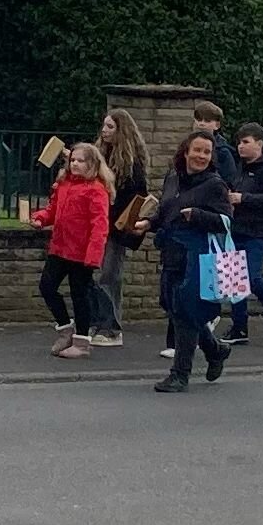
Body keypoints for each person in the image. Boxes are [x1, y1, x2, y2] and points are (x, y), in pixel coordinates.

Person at [133, 130, 233, 392]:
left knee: (186, 312)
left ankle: (180, 375)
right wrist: (148, 223)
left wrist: (198, 215)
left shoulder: (215, 185)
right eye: (197, 150)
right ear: (186, 151)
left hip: (196, 257)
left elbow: (225, 221)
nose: (201, 156)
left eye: (207, 152)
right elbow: (166, 211)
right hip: (172, 252)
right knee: (171, 305)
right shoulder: (173, 178)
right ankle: (215, 350)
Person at [31, 143, 113, 359]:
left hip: (81, 252)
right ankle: (65, 328)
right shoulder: (64, 184)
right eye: (73, 160)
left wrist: (93, 255)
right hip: (59, 247)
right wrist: (40, 218)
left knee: (80, 296)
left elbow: (100, 225)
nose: (75, 164)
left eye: (80, 161)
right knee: (47, 287)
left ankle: (82, 341)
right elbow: (53, 210)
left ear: (92, 164)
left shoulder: (96, 189)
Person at [220, 122, 263, 344]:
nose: (241, 146)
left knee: (250, 275)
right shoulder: (239, 168)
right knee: (234, 279)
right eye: (239, 142)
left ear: (259, 144)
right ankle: (239, 327)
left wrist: (244, 199)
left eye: (246, 142)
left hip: (258, 232)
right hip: (236, 229)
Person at [88, 109, 150, 347]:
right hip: (98, 224)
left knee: (109, 275)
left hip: (115, 227)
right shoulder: (101, 157)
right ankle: (96, 321)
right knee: (94, 275)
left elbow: (136, 197)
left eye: (110, 127)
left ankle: (112, 328)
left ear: (121, 131)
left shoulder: (131, 166)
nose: (104, 131)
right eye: (104, 126)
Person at [193, 100, 237, 184]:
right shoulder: (187, 146)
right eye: (199, 119)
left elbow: (230, 181)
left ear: (217, 125)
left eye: (207, 121)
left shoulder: (222, 151)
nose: (201, 124)